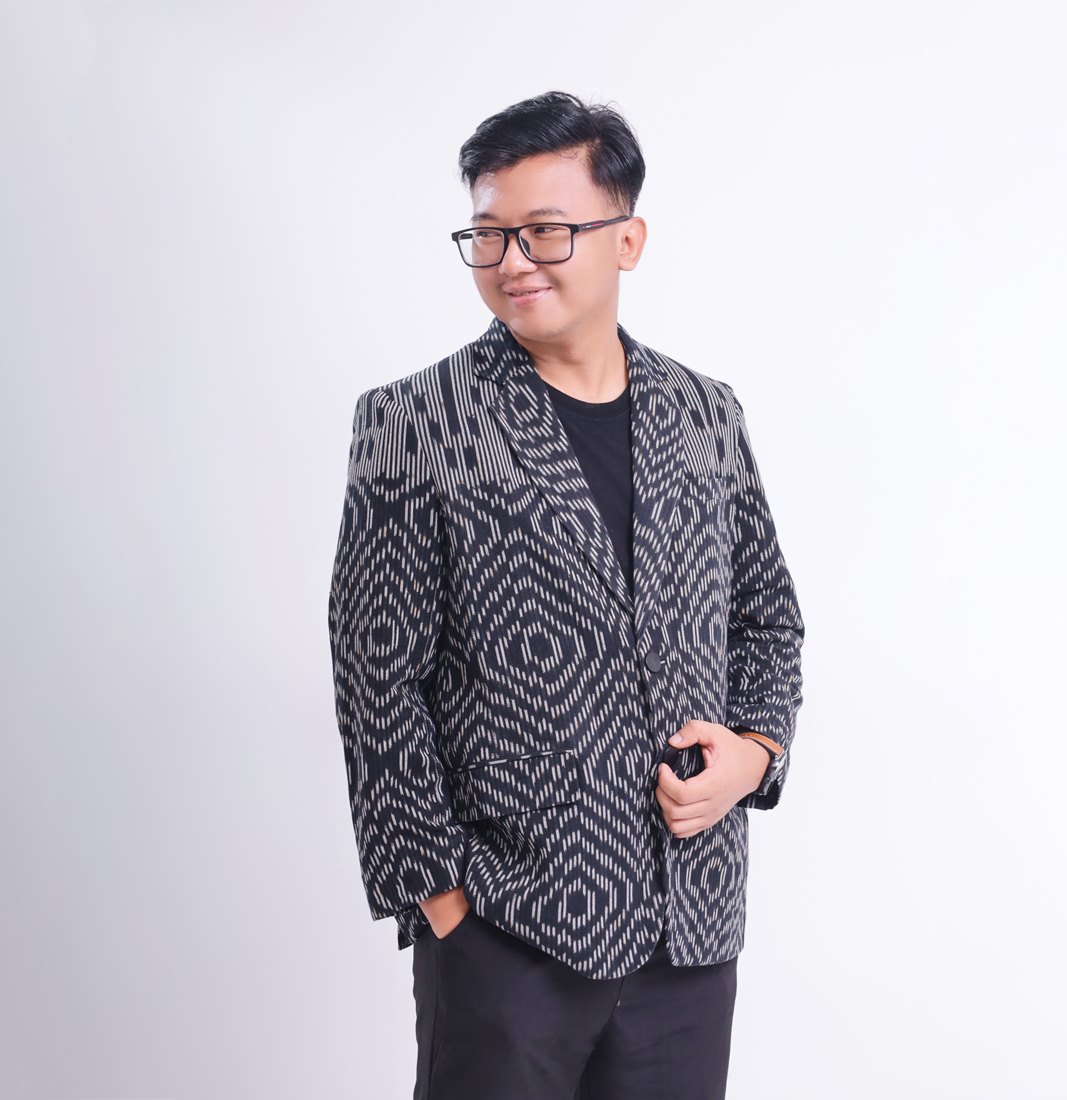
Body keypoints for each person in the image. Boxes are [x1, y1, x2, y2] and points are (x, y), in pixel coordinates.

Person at [327, 90, 805, 1100]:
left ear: (626, 239)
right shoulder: (415, 421)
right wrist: (444, 903)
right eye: (488, 234)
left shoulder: (705, 414)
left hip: (689, 927)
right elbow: (377, 681)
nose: (512, 260)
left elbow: (766, 618)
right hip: (508, 934)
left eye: (545, 230)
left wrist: (754, 753)